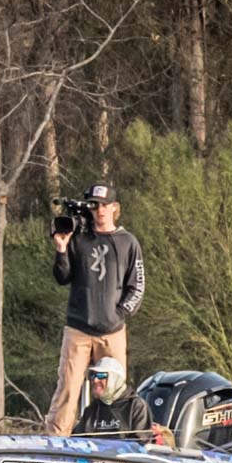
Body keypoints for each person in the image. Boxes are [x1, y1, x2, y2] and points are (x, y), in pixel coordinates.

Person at [47, 182, 145, 436]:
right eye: (95, 205)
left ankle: (118, 440)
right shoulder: (79, 239)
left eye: (105, 206)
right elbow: (62, 277)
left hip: (112, 331)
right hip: (78, 328)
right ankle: (55, 443)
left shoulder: (127, 242)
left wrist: (119, 313)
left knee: (115, 390)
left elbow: (137, 286)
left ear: (115, 208)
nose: (100, 211)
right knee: (68, 389)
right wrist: (61, 249)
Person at [74, 357, 154, 441]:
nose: (95, 380)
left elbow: (141, 444)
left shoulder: (136, 406)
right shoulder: (91, 409)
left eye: (101, 375)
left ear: (115, 379)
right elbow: (77, 442)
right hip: (95, 454)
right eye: (92, 375)